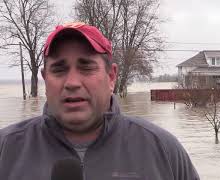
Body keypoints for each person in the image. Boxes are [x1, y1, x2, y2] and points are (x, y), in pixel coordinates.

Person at [0, 22, 200, 180]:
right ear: (45, 78)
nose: (72, 83)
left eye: (86, 67)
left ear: (111, 77)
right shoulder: (5, 148)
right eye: (59, 69)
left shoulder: (162, 149)